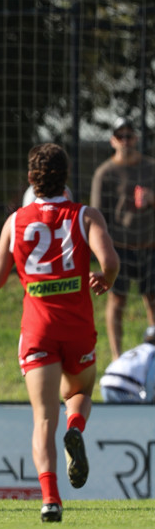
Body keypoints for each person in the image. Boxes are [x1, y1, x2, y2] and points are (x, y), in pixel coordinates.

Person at [0, 143, 119, 524]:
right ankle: (75, 427)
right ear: (68, 176)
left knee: (44, 417)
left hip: (38, 328)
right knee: (78, 392)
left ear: (31, 179)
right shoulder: (85, 215)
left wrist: (22, 267)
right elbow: (109, 261)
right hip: (77, 326)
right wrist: (104, 279)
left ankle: (50, 500)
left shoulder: (16, 221)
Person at [90, 117, 155, 360]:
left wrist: (151, 199)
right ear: (112, 141)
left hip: (150, 244)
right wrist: (104, 253)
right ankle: (118, 358)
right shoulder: (104, 173)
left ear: (136, 139)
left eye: (129, 136)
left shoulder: (150, 167)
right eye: (120, 136)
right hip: (119, 247)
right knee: (117, 301)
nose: (125, 141)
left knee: (152, 300)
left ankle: (152, 358)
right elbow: (96, 217)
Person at [99, 326, 155, 403]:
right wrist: (149, 402)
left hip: (105, 383)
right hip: (124, 388)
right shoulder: (153, 353)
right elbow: (151, 381)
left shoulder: (138, 349)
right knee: (138, 414)